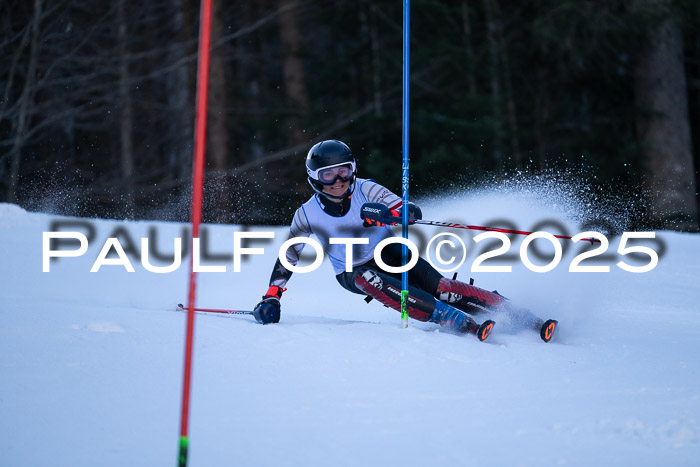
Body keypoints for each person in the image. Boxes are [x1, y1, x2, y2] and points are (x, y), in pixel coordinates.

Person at [253, 139, 557, 342]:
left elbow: (407, 209)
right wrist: (271, 297)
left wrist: (388, 215)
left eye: (344, 171)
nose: (339, 180)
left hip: (391, 251)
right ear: (315, 178)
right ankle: (453, 321)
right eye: (328, 174)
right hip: (352, 270)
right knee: (370, 278)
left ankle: (519, 316)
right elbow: (288, 258)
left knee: (443, 288)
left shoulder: (366, 190)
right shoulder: (306, 215)